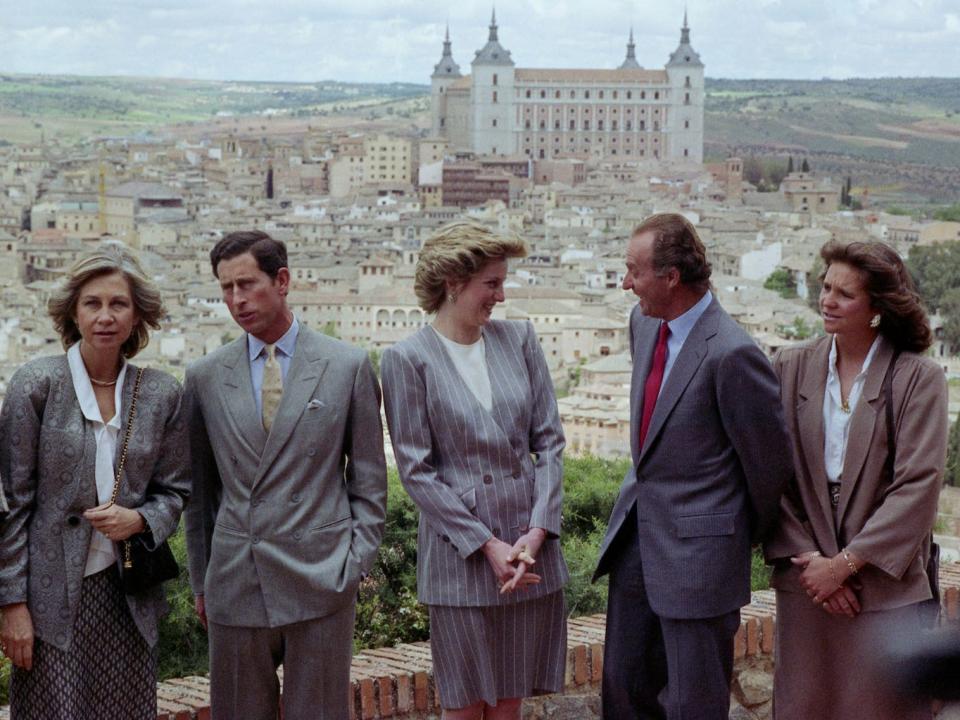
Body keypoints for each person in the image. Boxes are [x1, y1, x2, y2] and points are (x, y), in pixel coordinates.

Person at [594, 213, 793, 720]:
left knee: (692, 705)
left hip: (702, 562)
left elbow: (768, 468)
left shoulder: (732, 353)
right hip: (636, 548)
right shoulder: (642, 324)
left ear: (671, 277)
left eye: (633, 271)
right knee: (622, 690)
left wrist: (724, 537)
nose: (625, 283)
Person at [183, 230, 387, 720]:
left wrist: (354, 563)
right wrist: (203, 581)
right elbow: (200, 494)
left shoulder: (347, 365)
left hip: (322, 577)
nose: (236, 300)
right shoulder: (205, 376)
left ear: (283, 281)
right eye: (226, 289)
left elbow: (369, 481)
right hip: (235, 579)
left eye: (247, 284)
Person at [380, 221, 568, 720]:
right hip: (460, 558)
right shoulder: (406, 359)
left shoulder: (520, 340)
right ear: (453, 282)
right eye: (492, 284)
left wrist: (538, 531)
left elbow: (549, 440)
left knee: (508, 705)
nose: (501, 296)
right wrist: (487, 545)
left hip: (529, 557)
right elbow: (416, 472)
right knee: (463, 708)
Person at [0, 244, 190, 720]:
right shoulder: (36, 386)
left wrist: (140, 519)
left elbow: (176, 490)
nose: (105, 316)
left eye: (118, 304)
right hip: (49, 600)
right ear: (73, 312)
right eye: (93, 304)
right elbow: (11, 503)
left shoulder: (161, 394)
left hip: (128, 598)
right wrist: (11, 605)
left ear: (137, 315)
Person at [765, 240, 947, 720]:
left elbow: (919, 486)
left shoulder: (918, 378)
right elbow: (769, 471)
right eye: (826, 287)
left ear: (876, 309)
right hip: (806, 586)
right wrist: (815, 567)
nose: (827, 300)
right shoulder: (789, 366)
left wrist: (844, 566)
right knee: (803, 707)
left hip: (885, 589)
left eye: (844, 294)